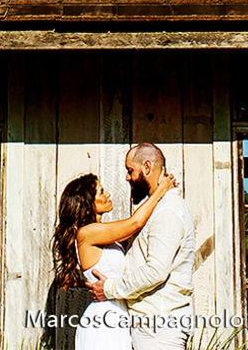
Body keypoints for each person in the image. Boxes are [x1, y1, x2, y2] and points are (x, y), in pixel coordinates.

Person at [52, 165, 177, 350]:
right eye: (101, 191)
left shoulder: (104, 235)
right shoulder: (87, 233)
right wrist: (161, 190)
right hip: (104, 318)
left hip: (116, 313)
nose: (108, 194)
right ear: (88, 202)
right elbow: (135, 223)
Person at [88, 143, 197, 350]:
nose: (127, 177)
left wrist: (109, 288)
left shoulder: (168, 211)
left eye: (130, 171)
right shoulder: (157, 208)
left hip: (159, 328)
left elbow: (155, 271)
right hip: (150, 327)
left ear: (147, 167)